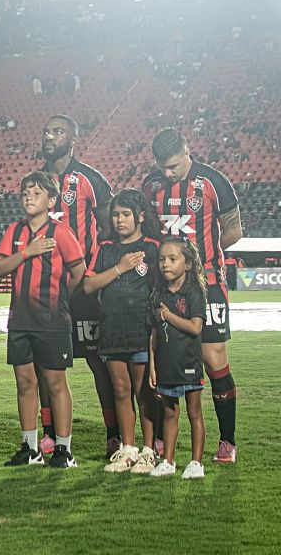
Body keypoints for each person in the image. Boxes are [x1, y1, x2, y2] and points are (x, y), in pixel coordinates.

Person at [142, 128, 241, 464]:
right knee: (165, 358)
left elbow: (234, 229)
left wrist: (198, 260)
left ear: (187, 151)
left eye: (172, 166)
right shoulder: (151, 185)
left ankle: (227, 441)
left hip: (208, 283)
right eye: (162, 167)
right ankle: (159, 442)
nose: (167, 173)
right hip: (165, 285)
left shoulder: (214, 182)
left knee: (213, 359)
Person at [0, 171, 86, 469]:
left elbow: (79, 271)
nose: (29, 197)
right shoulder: (15, 230)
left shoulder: (60, 232)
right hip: (20, 320)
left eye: (37, 192)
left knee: (56, 383)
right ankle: (30, 448)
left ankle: (64, 450)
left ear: (51, 200)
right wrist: (26, 252)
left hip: (52, 321)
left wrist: (59, 299)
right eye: (25, 192)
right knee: (24, 383)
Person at [39, 114, 116, 457]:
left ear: (72, 140)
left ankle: (113, 433)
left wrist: (95, 275)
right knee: (45, 365)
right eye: (47, 130)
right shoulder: (36, 180)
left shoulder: (90, 179)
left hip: (84, 292)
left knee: (100, 362)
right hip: (48, 292)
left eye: (57, 131)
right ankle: (48, 434)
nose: (49, 135)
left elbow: (110, 230)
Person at [83, 189, 160, 473]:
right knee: (121, 390)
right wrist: (120, 267)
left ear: (140, 216)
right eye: (115, 215)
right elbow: (89, 285)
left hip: (141, 329)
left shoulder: (152, 248)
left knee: (143, 392)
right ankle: (127, 449)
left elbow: (158, 287)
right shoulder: (105, 249)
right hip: (113, 329)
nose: (119, 220)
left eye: (125, 214)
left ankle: (149, 450)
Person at [148, 238, 207, 479]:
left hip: (189, 363)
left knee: (194, 412)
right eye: (162, 259)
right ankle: (168, 461)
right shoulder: (157, 293)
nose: (166, 264)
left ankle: (195, 463)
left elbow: (195, 328)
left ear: (188, 264)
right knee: (170, 413)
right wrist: (152, 366)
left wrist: (168, 315)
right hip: (166, 364)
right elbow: (153, 334)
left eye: (173, 259)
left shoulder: (194, 292)